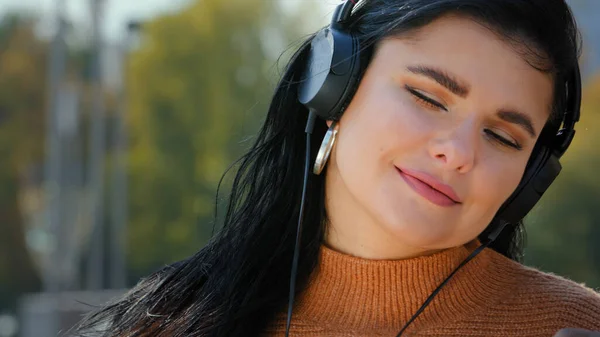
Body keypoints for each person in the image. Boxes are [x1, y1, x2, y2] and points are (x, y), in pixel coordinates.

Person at [73, 0, 600, 336]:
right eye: (427, 96)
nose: (460, 151)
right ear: (335, 89)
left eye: (502, 136)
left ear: (529, 182)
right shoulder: (170, 325)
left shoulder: (574, 326)